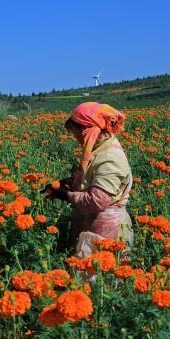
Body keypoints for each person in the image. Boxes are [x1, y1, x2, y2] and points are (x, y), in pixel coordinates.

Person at [43, 102, 133, 258]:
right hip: (92, 221)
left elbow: (97, 201)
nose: (75, 137)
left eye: (75, 131)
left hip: (105, 228)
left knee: (97, 276)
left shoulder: (110, 158)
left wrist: (65, 195)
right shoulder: (101, 147)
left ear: (86, 129)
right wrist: (68, 183)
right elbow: (93, 177)